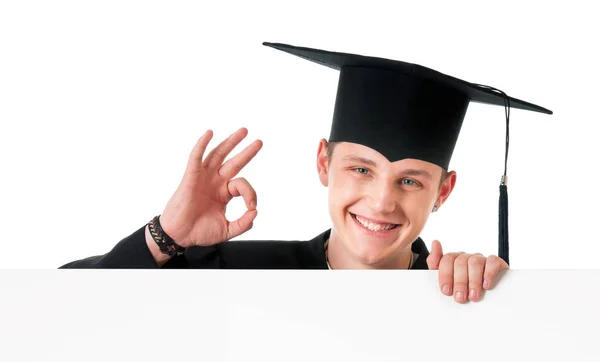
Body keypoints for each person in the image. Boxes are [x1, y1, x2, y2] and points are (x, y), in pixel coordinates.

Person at [60, 42, 552, 304]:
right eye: (361, 169)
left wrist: (502, 303)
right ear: (323, 162)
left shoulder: (458, 293)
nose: (382, 201)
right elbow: (60, 309)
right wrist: (166, 237)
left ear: (443, 190)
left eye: (410, 180)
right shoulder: (238, 274)